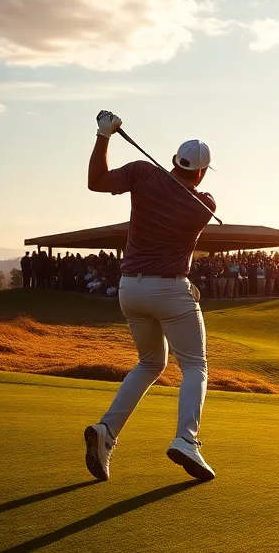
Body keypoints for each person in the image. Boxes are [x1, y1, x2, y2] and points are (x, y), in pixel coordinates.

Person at [83, 110, 217, 482]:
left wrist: (103, 135)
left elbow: (96, 182)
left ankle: (106, 432)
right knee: (194, 365)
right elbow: (189, 192)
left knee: (149, 364)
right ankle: (186, 440)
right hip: (171, 289)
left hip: (131, 289)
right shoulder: (205, 205)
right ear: (202, 172)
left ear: (175, 159)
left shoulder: (143, 173)